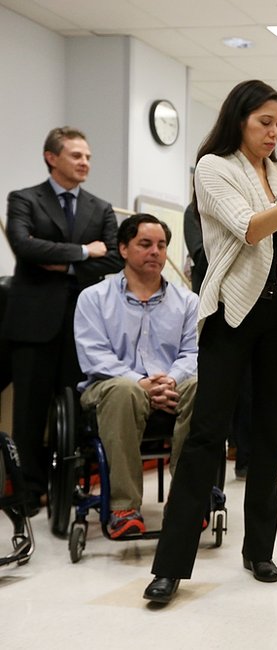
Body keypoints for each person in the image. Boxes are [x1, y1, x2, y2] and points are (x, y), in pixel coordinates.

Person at [144, 79, 277, 605]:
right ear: (239, 119)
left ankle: (259, 550)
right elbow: (249, 229)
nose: (273, 132)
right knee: (206, 437)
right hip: (231, 315)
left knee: (268, 438)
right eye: (263, 122)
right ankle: (170, 566)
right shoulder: (214, 167)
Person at [1, 126, 123, 513]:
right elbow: (24, 245)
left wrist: (59, 261)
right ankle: (27, 491)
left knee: (75, 408)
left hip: (82, 325)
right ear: (52, 158)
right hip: (33, 323)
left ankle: (67, 486)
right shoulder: (24, 199)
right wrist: (85, 252)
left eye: (87, 156)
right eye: (76, 155)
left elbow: (116, 258)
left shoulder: (100, 207)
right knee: (29, 413)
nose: (85, 162)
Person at [74, 214, 198, 539]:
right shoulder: (94, 298)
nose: (155, 251)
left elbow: (194, 354)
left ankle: (185, 502)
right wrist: (138, 382)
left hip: (172, 387)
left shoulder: (188, 302)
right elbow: (94, 355)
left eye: (161, 245)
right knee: (124, 390)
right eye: (145, 244)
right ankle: (124, 508)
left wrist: (170, 380)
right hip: (108, 387)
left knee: (202, 386)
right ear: (124, 249)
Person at [183, 201, 277, 479]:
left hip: (259, 304)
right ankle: (229, 455)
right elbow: (203, 254)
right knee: (222, 395)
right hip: (220, 305)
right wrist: (243, 244)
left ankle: (248, 456)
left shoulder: (258, 205)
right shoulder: (196, 210)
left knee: (253, 388)